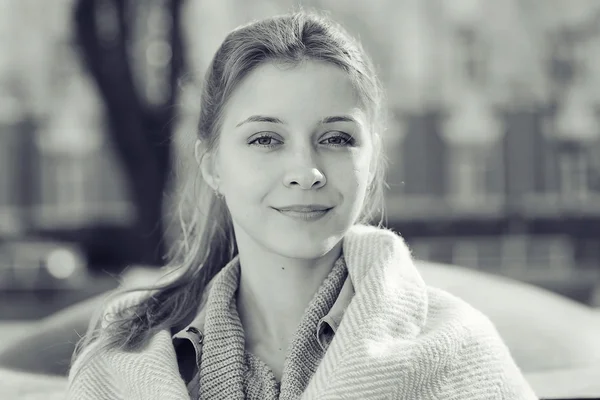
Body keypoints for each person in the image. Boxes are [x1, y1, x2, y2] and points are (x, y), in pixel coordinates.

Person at [67, 10, 538, 400]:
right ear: (211, 166)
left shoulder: (458, 349)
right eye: (266, 138)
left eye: (336, 138)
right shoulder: (122, 359)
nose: (306, 170)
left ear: (371, 161)